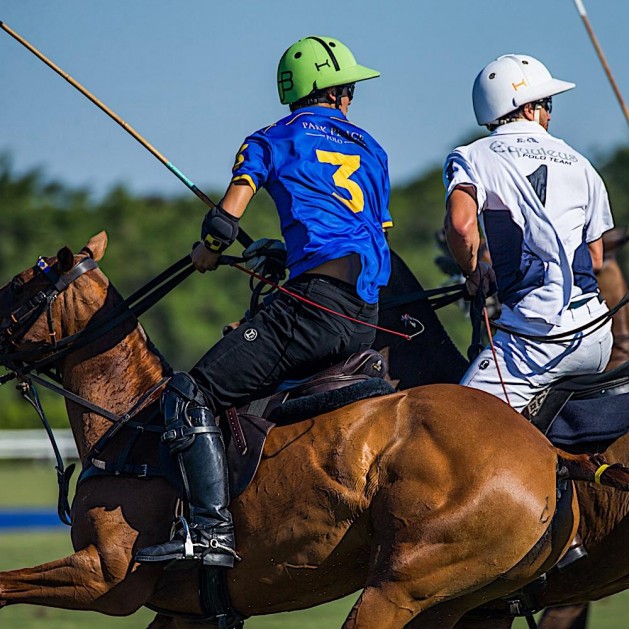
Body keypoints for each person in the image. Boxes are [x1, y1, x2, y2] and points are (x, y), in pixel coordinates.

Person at [136, 36, 392, 568]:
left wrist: (208, 250)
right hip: (365, 317)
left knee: (190, 392)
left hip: (312, 310)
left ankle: (209, 532)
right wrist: (280, 250)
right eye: (348, 89)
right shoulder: (372, 148)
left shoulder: (271, 140)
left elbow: (225, 218)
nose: (351, 100)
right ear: (335, 92)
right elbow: (358, 232)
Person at [443, 53, 614, 413]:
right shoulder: (582, 163)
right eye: (547, 104)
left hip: (539, 340)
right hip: (597, 337)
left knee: (455, 419)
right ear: (528, 108)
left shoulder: (472, 156)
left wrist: (474, 273)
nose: (550, 114)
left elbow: (461, 226)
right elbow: (596, 259)